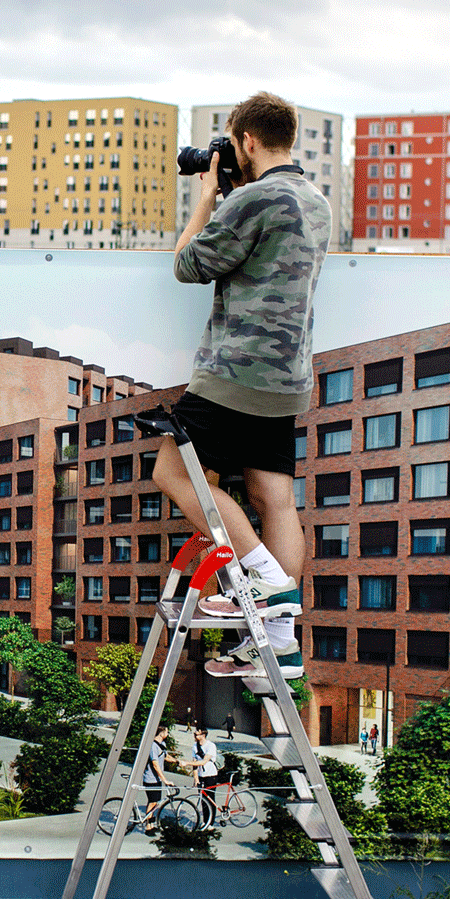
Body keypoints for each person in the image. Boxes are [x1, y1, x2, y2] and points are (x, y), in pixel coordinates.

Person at [153, 92, 329, 684]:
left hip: (234, 373)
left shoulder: (254, 198)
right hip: (287, 378)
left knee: (175, 475)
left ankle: (268, 585)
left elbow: (187, 264)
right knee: (273, 497)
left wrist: (206, 199)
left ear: (247, 140)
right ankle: (279, 643)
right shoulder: (315, 200)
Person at [137, 727, 175, 835]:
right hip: (150, 778)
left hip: (156, 779)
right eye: (167, 731)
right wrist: (165, 780)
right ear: (161, 733)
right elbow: (155, 764)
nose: (168, 733)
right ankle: (148, 827)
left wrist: (176, 761)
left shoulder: (162, 744)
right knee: (152, 801)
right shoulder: (153, 745)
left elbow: (165, 756)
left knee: (155, 802)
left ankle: (152, 824)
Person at [186, 728, 224, 819]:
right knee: (202, 799)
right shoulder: (195, 746)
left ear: (203, 735)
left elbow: (204, 761)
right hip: (201, 775)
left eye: (197, 734)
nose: (195, 736)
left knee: (210, 799)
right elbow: (195, 763)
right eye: (194, 734)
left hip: (211, 775)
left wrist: (186, 763)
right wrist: (196, 778)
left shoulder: (211, 746)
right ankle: (205, 821)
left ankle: (210, 823)